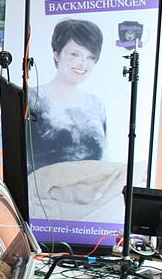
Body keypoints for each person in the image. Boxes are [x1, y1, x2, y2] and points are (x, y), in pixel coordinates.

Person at [30, 19, 107, 171]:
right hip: (43, 192)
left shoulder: (96, 105)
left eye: (90, 57)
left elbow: (104, 158)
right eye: (75, 54)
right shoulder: (32, 99)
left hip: (92, 192)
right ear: (56, 55)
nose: (83, 63)